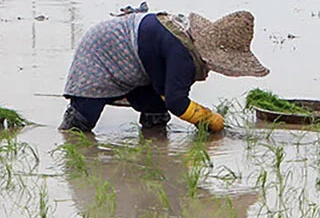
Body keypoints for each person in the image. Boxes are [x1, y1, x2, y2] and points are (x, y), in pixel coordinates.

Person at [60, 8, 269, 133]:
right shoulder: (182, 54)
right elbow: (177, 102)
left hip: (137, 63)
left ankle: (155, 144)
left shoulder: (185, 40)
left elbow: (168, 94)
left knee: (157, 111)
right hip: (102, 53)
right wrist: (210, 120)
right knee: (80, 125)